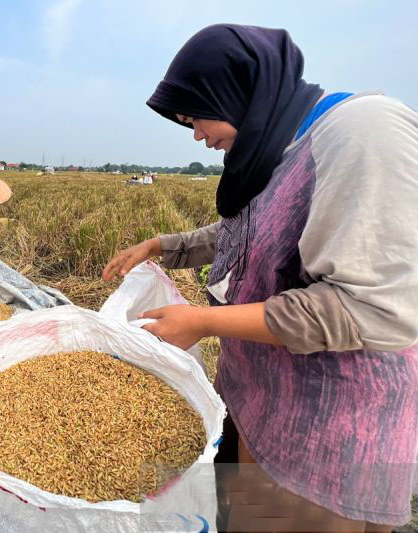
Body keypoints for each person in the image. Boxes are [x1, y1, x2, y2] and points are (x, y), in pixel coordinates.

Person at [103, 24, 418, 532]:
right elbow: (249, 234)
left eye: (196, 116)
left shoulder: (362, 130)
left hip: (328, 430)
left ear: (237, 87)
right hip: (259, 398)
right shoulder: (272, 148)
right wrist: (161, 246)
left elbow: (366, 308)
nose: (198, 136)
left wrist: (205, 321)